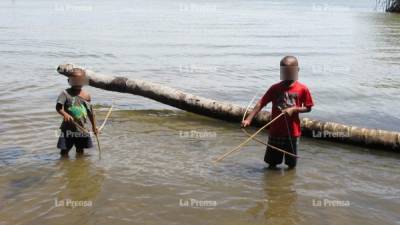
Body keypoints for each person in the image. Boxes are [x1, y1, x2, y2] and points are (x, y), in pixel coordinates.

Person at [241, 56, 314, 169]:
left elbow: (308, 108)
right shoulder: (275, 88)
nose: (286, 74)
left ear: (297, 70)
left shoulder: (302, 89)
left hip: (293, 133)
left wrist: (294, 109)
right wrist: (248, 119)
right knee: (272, 163)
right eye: (283, 71)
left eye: (289, 72)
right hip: (276, 131)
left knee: (291, 165)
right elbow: (261, 103)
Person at [56, 68, 98, 157]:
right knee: (64, 151)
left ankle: (80, 167)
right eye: (74, 81)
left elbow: (90, 113)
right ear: (69, 81)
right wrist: (65, 114)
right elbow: (58, 108)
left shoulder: (86, 95)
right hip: (68, 129)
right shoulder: (65, 93)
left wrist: (94, 127)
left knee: (80, 151)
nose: (77, 83)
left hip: (82, 129)